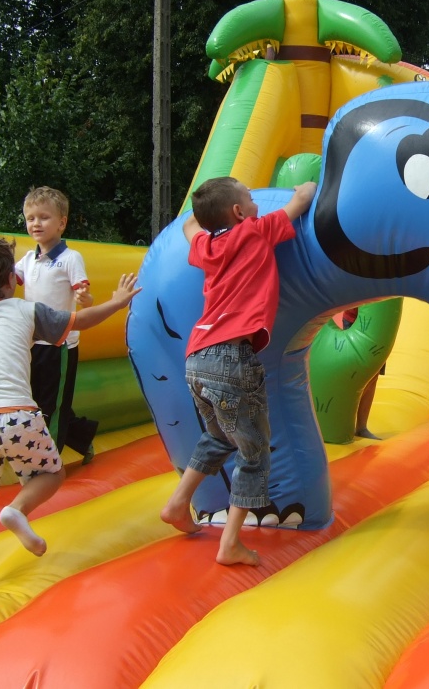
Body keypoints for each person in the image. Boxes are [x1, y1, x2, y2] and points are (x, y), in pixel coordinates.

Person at [0, 234, 140, 595]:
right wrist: (117, 302)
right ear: (9, 280)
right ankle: (17, 509)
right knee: (51, 474)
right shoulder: (24, 310)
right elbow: (80, 321)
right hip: (16, 413)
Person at [160, 177, 317, 566]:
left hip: (197, 357)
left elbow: (190, 225)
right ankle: (230, 543)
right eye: (250, 197)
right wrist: (305, 185)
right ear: (238, 212)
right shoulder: (255, 230)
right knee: (255, 451)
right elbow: (302, 200)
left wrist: (202, 214)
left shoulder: (205, 246)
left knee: (218, 436)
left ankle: (178, 504)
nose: (256, 203)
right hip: (231, 357)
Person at [14, 187, 99, 463]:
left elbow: (85, 295)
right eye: (30, 218)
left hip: (60, 344)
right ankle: (81, 437)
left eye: (44, 217)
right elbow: (6, 276)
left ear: (62, 223)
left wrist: (85, 299)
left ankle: (49, 462)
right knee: (38, 400)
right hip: (33, 342)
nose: (36, 224)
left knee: (52, 404)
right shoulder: (28, 259)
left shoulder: (70, 259)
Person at [334, 307, 382, 440]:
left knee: (373, 375)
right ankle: (342, 424)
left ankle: (361, 427)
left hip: (378, 322)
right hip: (354, 321)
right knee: (352, 373)